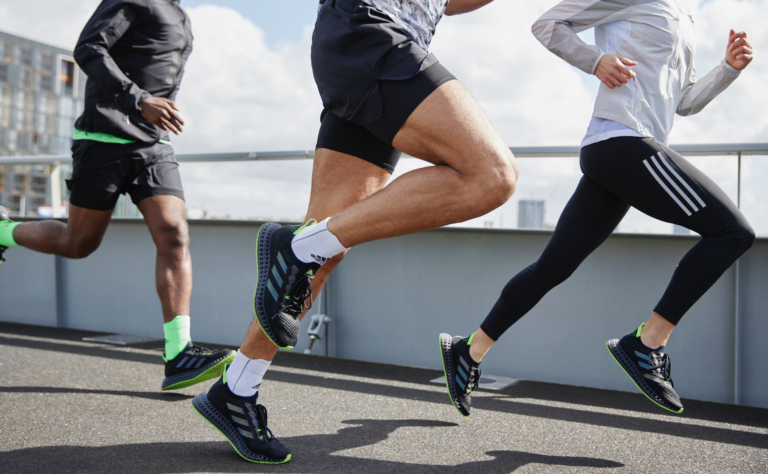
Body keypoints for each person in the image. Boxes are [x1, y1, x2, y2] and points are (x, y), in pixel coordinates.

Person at [192, 0, 519, 464]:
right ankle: (298, 246)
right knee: (492, 175)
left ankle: (234, 390)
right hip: (370, 33)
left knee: (324, 249)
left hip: (376, 49)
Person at [439, 0, 755, 417]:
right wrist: (596, 61)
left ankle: (469, 351)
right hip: (621, 142)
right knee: (732, 232)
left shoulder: (686, 17)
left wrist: (728, 70)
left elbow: (684, 102)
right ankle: (646, 344)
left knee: (553, 268)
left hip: (625, 153)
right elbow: (547, 24)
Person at [0, 0, 234, 390]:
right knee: (78, 244)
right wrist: (139, 99)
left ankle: (178, 354)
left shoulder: (181, 14)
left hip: (152, 147)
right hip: (101, 140)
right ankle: (3, 231)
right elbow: (88, 48)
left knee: (174, 234)